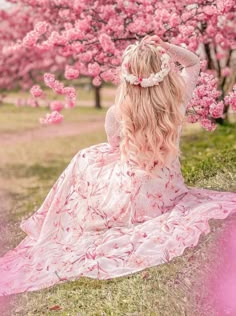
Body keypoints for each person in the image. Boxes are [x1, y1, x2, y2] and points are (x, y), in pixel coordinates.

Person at [0, 36, 236, 296]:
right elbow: (192, 63)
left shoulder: (117, 112)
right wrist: (167, 47)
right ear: (164, 70)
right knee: (96, 157)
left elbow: (113, 145)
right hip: (165, 192)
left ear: (127, 76)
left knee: (86, 157)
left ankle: (65, 215)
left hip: (130, 197)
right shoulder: (176, 100)